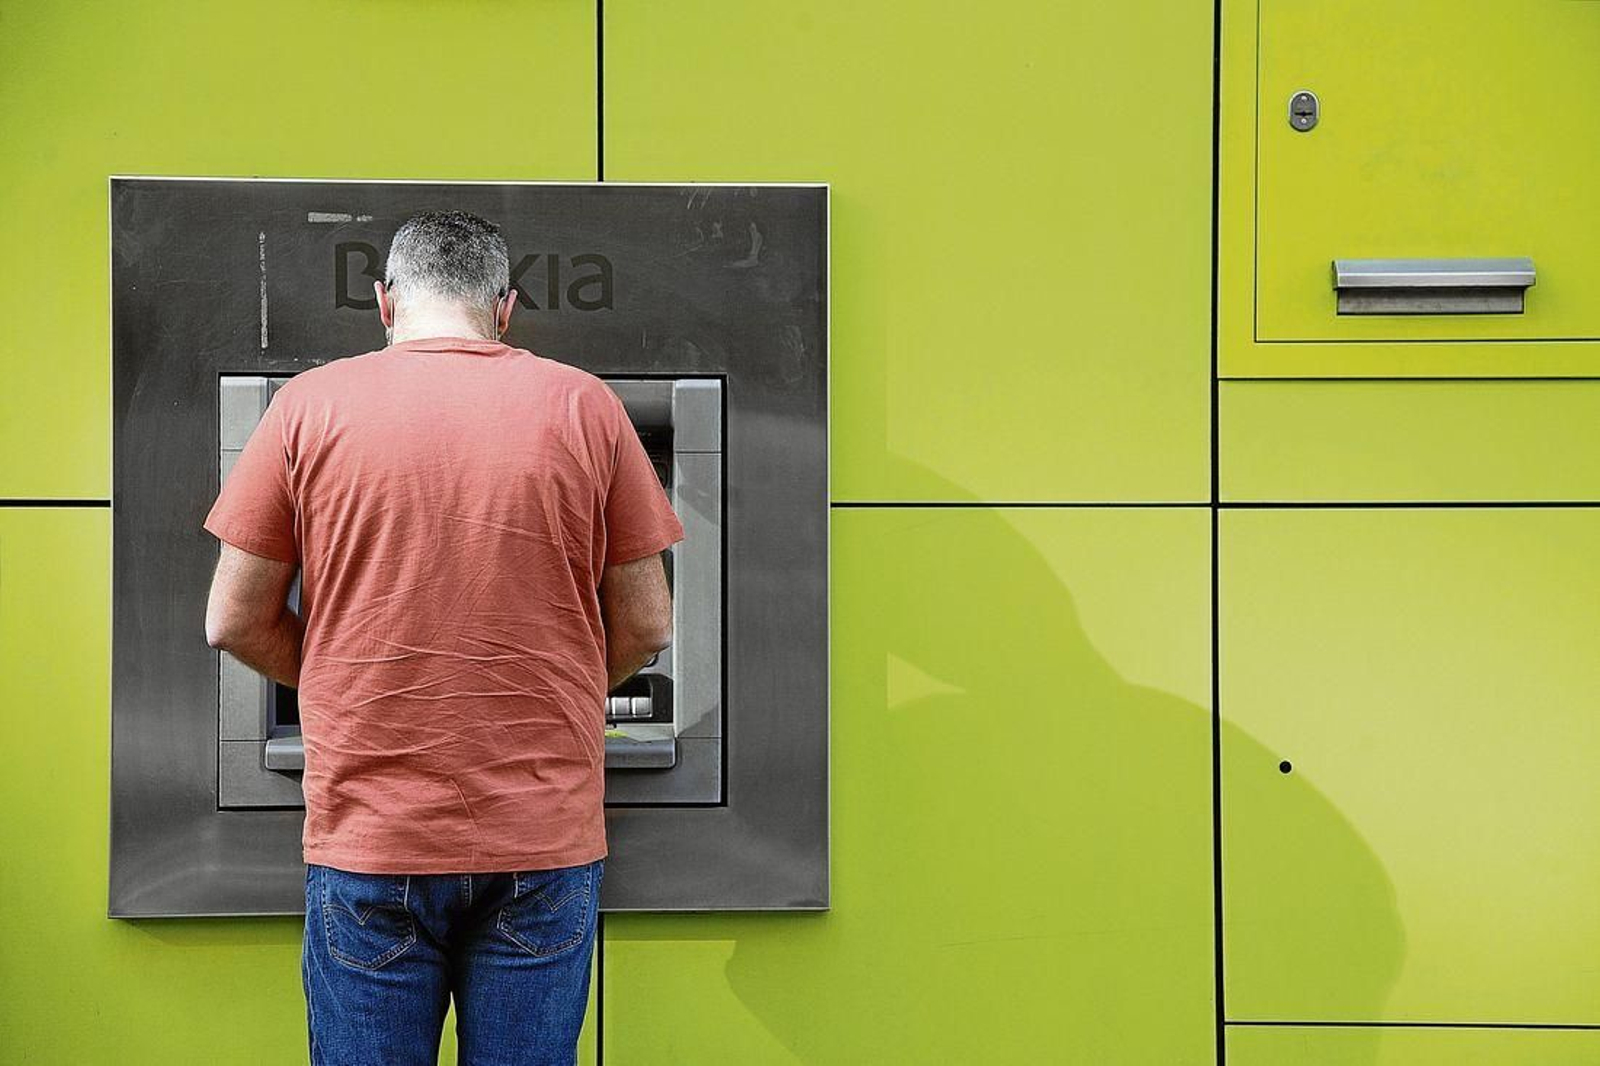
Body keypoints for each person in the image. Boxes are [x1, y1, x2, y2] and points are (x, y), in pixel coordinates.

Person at [200, 210, 683, 1065]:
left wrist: (342, 679)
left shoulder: (307, 408)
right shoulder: (586, 405)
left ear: (385, 303)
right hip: (541, 838)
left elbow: (232, 619)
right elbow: (646, 623)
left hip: (371, 838)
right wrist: (565, 689)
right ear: (506, 308)